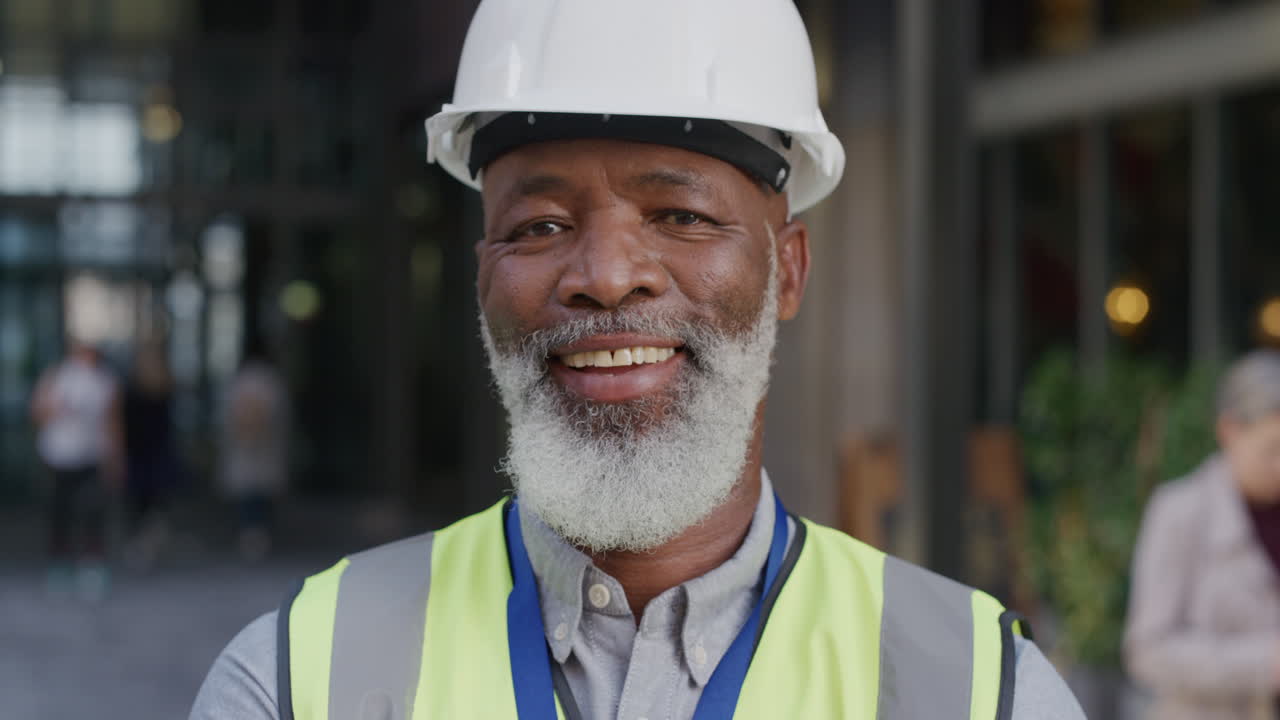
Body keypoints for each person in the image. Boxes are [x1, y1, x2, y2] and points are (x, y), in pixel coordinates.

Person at [192, 1, 1084, 718]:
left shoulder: (980, 691)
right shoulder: (298, 680)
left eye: (681, 215)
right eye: (540, 226)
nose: (608, 279)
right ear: (482, 284)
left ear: (787, 273)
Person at [1125, 349, 1280, 719]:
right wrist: (1265, 663)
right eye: (1272, 450)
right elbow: (1147, 651)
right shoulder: (1180, 511)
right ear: (1229, 430)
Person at [30, 341, 122, 600]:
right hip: (59, 457)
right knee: (60, 512)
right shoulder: (57, 376)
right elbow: (38, 412)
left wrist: (115, 459)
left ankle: (92, 566)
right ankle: (59, 564)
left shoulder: (105, 380)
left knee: (93, 511)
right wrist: (56, 407)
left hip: (91, 456)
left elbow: (112, 422)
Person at [220, 345, 289, 562]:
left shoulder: (242, 380)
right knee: (257, 491)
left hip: (252, 446)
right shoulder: (269, 380)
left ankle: (252, 534)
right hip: (258, 446)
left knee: (251, 491)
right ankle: (256, 535)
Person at [121, 339, 180, 570]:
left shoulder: (136, 388)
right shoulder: (164, 386)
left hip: (144, 454)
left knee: (143, 504)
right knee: (153, 505)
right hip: (152, 453)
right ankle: (149, 543)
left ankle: (145, 545)